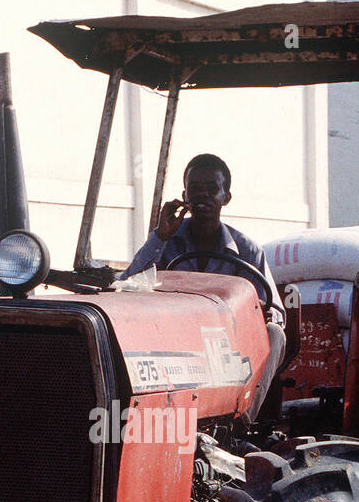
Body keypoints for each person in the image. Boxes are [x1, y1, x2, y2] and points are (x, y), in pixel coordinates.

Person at [121, 153, 284, 421]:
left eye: (212, 189)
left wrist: (259, 316)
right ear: (185, 194)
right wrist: (160, 235)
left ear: (226, 197)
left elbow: (274, 310)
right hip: (176, 340)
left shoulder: (247, 251)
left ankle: (240, 422)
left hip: (229, 345)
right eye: (196, 189)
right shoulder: (166, 241)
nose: (203, 196)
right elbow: (129, 285)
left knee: (275, 333)